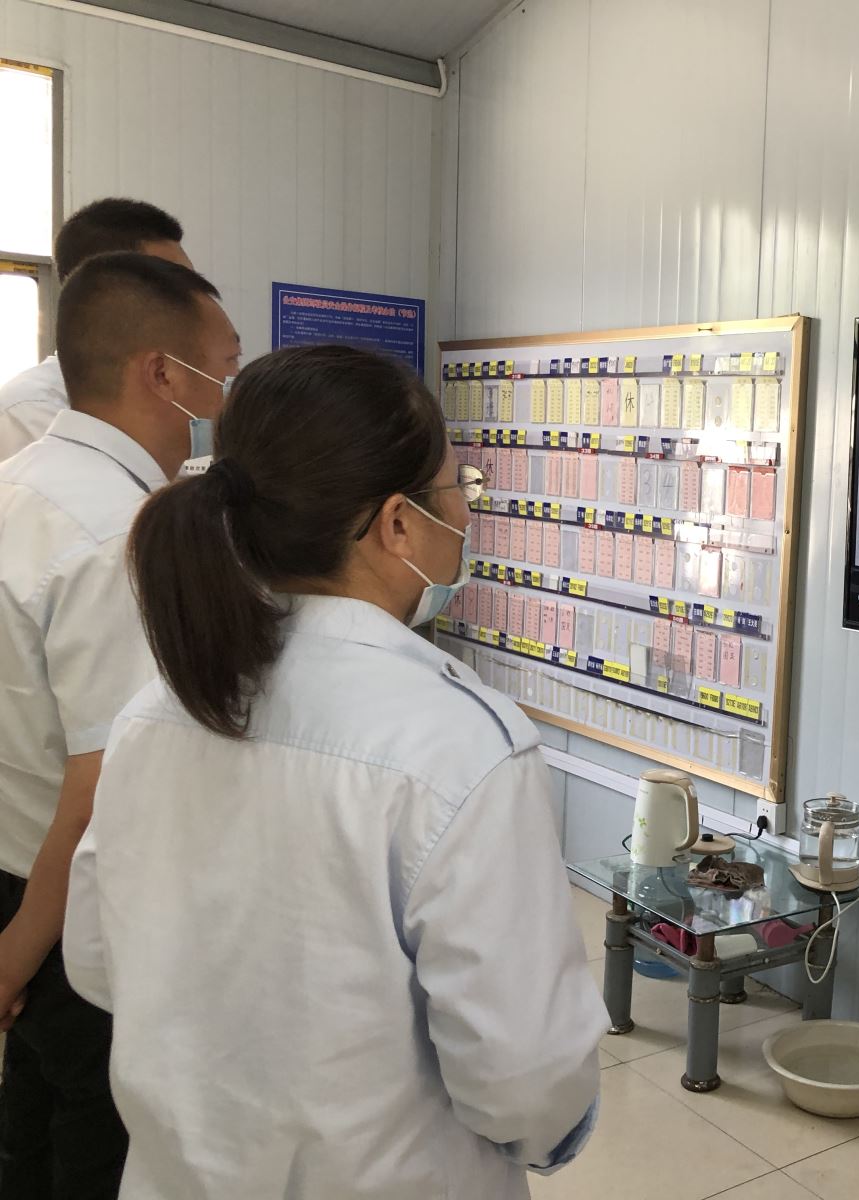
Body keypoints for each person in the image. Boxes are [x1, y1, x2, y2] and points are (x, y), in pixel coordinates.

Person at [63, 344, 606, 1199]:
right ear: (397, 524)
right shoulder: (460, 745)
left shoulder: (156, 713)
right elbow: (525, 1079)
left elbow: (95, 962)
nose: (466, 510)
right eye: (457, 486)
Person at [0, 251, 239, 1197]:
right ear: (163, 373)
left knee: (28, 1125)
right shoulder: (114, 535)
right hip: (62, 912)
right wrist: (19, 955)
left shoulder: (19, 483)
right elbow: (101, 780)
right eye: (225, 365)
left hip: (19, 881)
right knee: (91, 1143)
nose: (227, 392)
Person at [0, 199, 192, 463]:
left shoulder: (166, 393)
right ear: (97, 289)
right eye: (170, 285)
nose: (191, 301)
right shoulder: (30, 409)